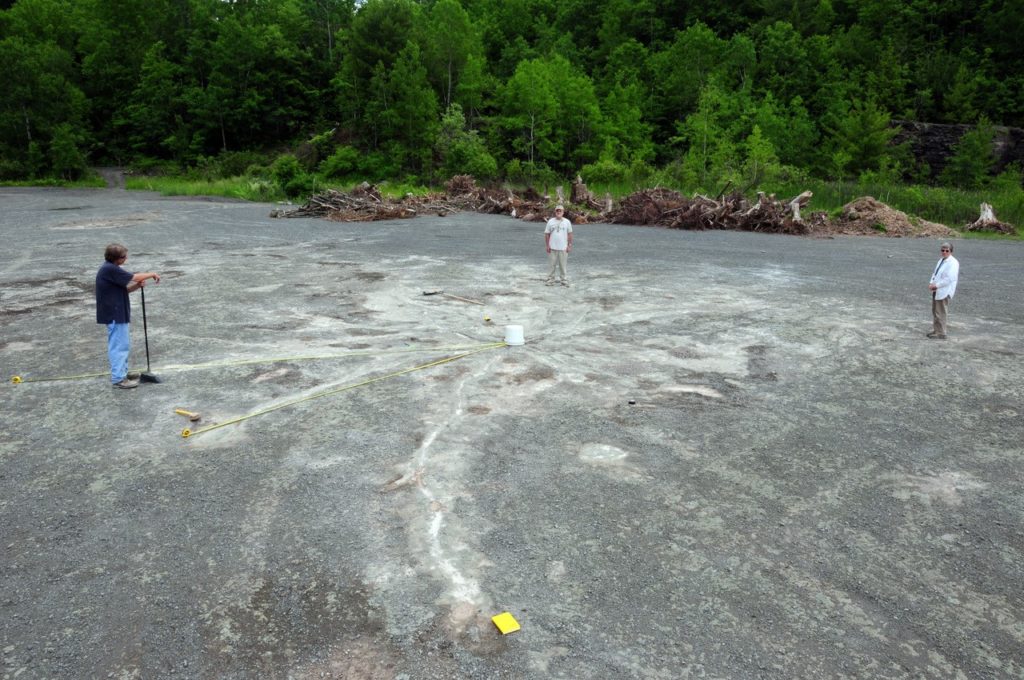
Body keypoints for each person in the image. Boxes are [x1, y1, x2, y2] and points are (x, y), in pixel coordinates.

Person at [95, 243, 161, 388]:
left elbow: (123, 290)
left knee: (122, 344)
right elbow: (134, 276)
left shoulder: (112, 269)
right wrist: (151, 274)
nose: (126, 258)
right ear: (117, 258)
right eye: (124, 257)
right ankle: (118, 379)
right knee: (118, 346)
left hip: (118, 312)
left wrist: (137, 286)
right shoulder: (110, 269)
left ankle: (122, 373)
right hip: (114, 313)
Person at [927, 241, 959, 339]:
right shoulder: (941, 260)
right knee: (935, 310)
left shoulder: (953, 263)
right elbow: (935, 273)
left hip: (943, 290)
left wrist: (937, 286)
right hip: (936, 288)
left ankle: (941, 333)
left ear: (951, 251)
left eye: (947, 250)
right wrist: (931, 282)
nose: (944, 252)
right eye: (942, 250)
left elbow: (949, 279)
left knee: (941, 311)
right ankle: (937, 330)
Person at [544, 205, 573, 286]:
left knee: (563, 266)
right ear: (555, 212)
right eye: (557, 211)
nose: (558, 212)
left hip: (563, 248)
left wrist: (569, 245)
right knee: (551, 265)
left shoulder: (567, 222)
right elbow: (547, 234)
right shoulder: (550, 221)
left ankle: (563, 280)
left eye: (560, 211)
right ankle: (550, 280)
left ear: (563, 212)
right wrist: (547, 245)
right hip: (552, 247)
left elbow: (570, 234)